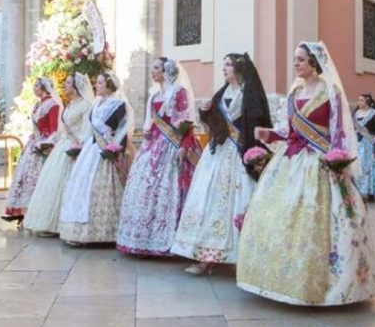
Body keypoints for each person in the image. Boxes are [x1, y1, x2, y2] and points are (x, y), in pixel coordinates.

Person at [236, 41, 375, 306]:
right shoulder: (294, 93)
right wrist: (269, 134)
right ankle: (276, 278)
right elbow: (289, 131)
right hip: (291, 161)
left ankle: (328, 285)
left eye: (301, 59)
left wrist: (337, 161)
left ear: (314, 62)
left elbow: (338, 131)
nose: (296, 63)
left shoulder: (330, 91)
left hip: (319, 161)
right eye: (295, 59)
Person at [171, 53, 272, 274]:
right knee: (208, 199)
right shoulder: (222, 93)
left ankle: (243, 258)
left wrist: (254, 153)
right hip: (218, 153)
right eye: (224, 64)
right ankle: (206, 257)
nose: (224, 68)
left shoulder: (249, 94)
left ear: (239, 69)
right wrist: (206, 112)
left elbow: (257, 122)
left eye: (228, 65)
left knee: (238, 200)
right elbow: (214, 122)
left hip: (239, 154)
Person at [116, 57, 202, 256]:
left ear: (166, 71)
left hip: (173, 147)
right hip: (153, 147)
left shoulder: (179, 92)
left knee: (171, 189)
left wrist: (184, 146)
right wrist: (147, 141)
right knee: (145, 187)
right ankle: (143, 238)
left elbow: (187, 122)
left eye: (156, 68)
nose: (152, 71)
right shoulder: (154, 96)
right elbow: (152, 125)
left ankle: (173, 239)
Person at [59, 71, 133, 246]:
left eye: (100, 83)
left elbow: (123, 129)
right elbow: (90, 129)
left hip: (107, 151)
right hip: (92, 149)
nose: (96, 86)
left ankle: (106, 233)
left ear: (109, 85)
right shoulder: (96, 104)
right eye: (97, 83)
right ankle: (81, 233)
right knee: (82, 186)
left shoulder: (119, 104)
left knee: (104, 189)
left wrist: (116, 149)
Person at [23, 72, 94, 236]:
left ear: (76, 87)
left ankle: (64, 225)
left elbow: (86, 129)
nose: (65, 86)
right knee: (52, 182)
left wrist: (80, 146)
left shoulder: (86, 105)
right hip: (64, 145)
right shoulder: (70, 104)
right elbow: (63, 128)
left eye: (68, 83)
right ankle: (49, 223)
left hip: (75, 146)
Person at [2, 77, 61, 223]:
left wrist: (45, 144)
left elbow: (54, 129)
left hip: (44, 145)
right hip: (34, 143)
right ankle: (21, 210)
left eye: (36, 86)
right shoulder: (37, 105)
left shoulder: (53, 105)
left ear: (44, 88)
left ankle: (35, 211)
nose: (34, 89)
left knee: (37, 178)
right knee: (24, 176)